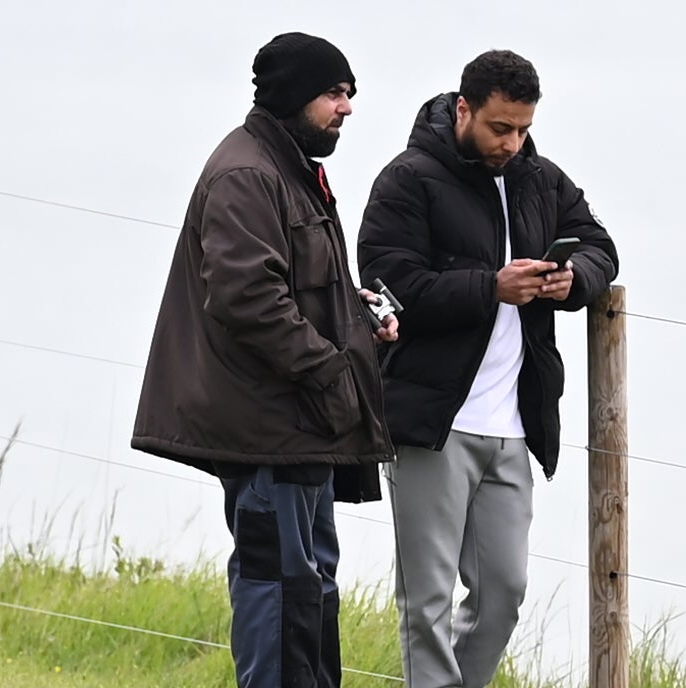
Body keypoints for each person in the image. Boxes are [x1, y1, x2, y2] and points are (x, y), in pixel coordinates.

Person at [130, 32, 397, 688]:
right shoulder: (250, 172)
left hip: (300, 429)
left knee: (307, 591)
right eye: (335, 94)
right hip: (270, 428)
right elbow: (247, 299)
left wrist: (356, 318)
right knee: (277, 590)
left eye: (350, 94)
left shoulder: (290, 167)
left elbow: (289, 287)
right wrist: (332, 372)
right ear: (295, 95)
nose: (347, 108)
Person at [357, 49, 619, 687]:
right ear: (465, 109)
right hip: (432, 424)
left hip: (512, 427)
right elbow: (388, 288)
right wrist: (489, 288)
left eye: (524, 128)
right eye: (501, 127)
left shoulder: (540, 178)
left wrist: (570, 280)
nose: (513, 141)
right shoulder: (407, 179)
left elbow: (601, 247)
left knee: (504, 593)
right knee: (427, 601)